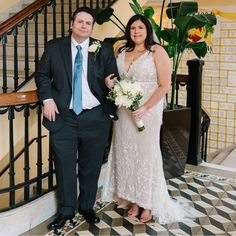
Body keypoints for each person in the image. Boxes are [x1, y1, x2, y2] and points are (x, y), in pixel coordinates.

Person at [102, 14, 194, 224]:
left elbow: (164, 85)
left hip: (148, 112)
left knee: (146, 156)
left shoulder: (157, 51)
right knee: (127, 155)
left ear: (147, 30)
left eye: (140, 28)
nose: (136, 32)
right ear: (129, 30)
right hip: (124, 112)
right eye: (133, 28)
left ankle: (149, 203)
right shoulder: (122, 50)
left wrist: (144, 107)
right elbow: (119, 80)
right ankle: (134, 200)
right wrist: (110, 84)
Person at [35, 7, 119, 230]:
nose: (84, 26)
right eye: (80, 21)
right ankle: (66, 210)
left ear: (92, 27)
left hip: (95, 118)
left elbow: (114, 79)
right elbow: (42, 74)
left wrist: (110, 86)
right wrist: (47, 100)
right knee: (64, 165)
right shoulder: (55, 47)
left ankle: (87, 207)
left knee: (90, 167)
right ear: (72, 23)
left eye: (88, 23)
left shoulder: (103, 48)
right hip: (64, 118)